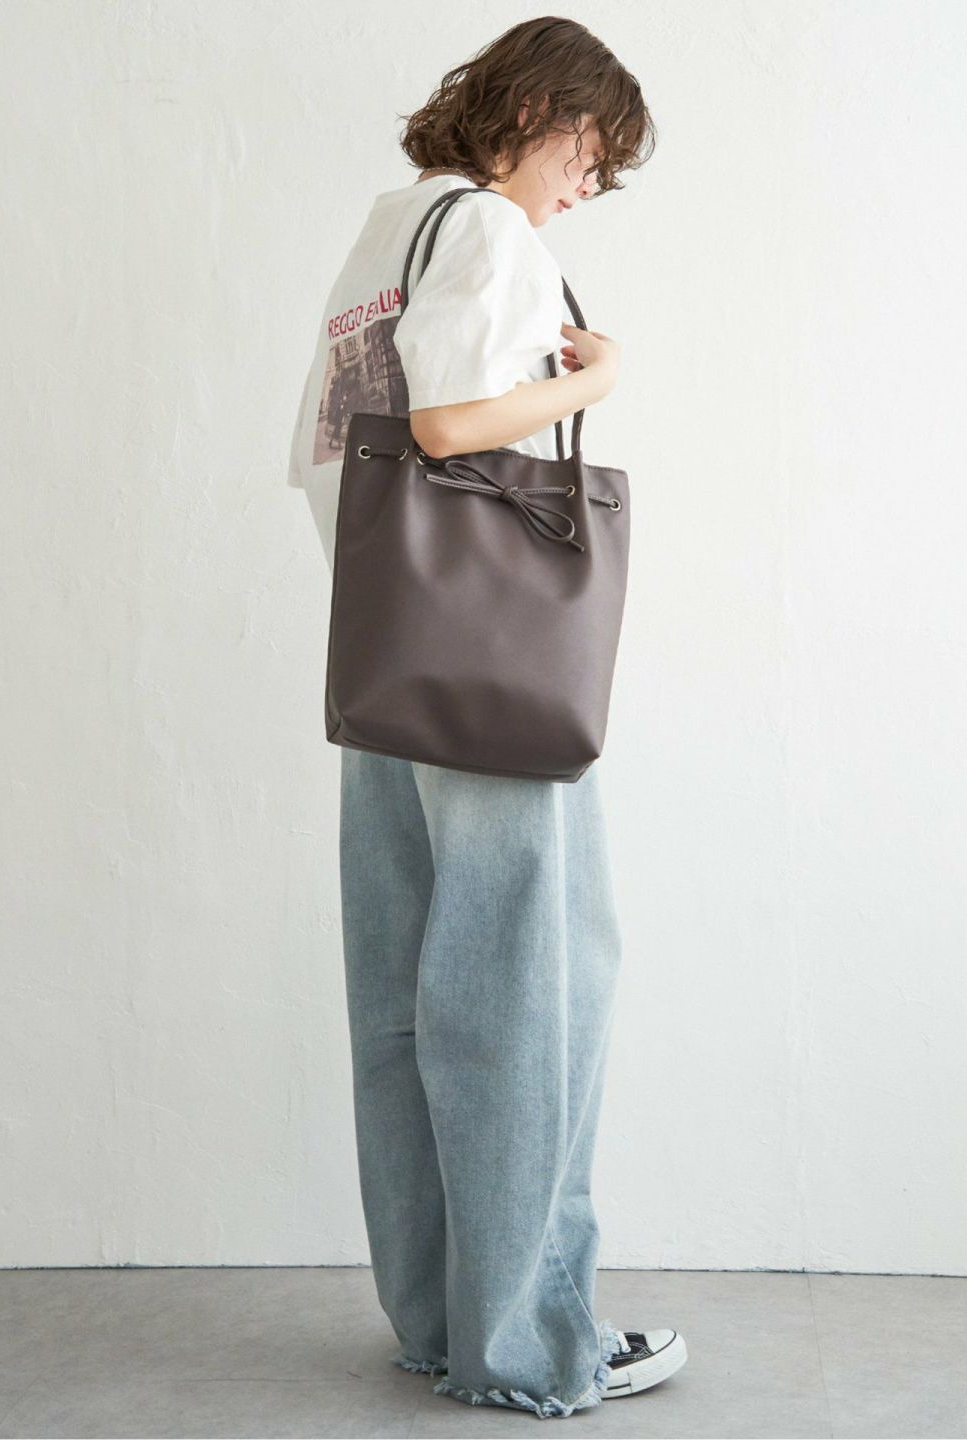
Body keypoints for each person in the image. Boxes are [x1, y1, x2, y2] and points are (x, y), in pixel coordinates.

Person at [287, 16, 687, 1420]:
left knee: (407, 995)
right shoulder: (490, 231)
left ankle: (441, 1319)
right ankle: (530, 1345)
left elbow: (329, 447)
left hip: (387, 658)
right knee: (533, 991)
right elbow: (452, 425)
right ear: (531, 112)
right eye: (587, 154)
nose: (584, 188)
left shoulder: (387, 231)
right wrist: (594, 380)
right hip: (490, 674)